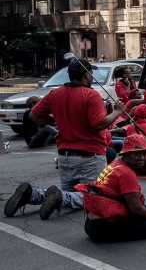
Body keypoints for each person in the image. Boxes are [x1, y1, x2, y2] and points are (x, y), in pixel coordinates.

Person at [5, 58, 127, 221]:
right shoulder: (91, 95)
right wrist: (117, 112)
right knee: (95, 197)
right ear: (86, 74)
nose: (92, 77)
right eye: (91, 73)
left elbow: (34, 115)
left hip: (65, 156)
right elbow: (99, 124)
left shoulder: (55, 93)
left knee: (67, 196)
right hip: (89, 155)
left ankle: (32, 194)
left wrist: (56, 120)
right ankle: (54, 196)